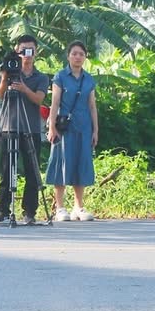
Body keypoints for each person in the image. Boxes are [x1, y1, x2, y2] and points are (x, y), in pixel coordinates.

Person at [0, 34, 49, 225]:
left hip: (31, 128)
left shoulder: (41, 77)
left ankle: (29, 212)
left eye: (30, 50)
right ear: (17, 51)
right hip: (9, 126)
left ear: (36, 52)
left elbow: (39, 99)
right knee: (7, 170)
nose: (27, 54)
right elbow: (1, 95)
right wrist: (5, 77)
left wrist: (24, 88)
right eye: (23, 50)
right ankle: (2, 210)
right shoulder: (8, 70)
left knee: (32, 171)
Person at [46, 40, 99, 221]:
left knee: (81, 163)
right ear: (68, 56)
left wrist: (95, 130)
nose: (77, 57)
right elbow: (54, 103)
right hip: (64, 128)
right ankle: (60, 208)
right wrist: (52, 127)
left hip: (84, 127)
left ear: (85, 57)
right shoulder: (60, 77)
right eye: (74, 53)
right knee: (61, 163)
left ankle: (78, 207)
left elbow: (92, 106)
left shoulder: (89, 79)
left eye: (81, 54)